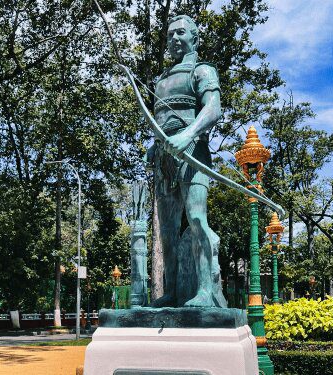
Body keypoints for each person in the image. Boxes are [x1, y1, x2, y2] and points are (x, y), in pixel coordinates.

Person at [148, 15, 225, 308]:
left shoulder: (201, 70)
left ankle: (205, 290)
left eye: (181, 33)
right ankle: (170, 292)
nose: (174, 39)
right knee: (166, 229)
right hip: (164, 159)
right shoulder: (162, 79)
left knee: (195, 218)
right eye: (170, 35)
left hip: (193, 152)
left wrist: (188, 134)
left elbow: (213, 108)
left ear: (194, 38)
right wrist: (155, 147)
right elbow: (160, 121)